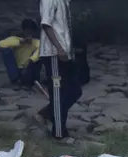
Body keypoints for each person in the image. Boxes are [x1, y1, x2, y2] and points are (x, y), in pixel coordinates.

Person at [39, 0, 83, 140]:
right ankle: (59, 134)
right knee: (58, 94)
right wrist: (59, 48)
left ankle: (48, 114)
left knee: (75, 90)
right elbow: (46, 25)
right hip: (54, 54)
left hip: (65, 54)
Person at [0, 19, 41, 88]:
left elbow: (41, 49)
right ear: (23, 31)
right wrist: (20, 42)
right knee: (6, 51)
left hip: (29, 68)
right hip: (18, 69)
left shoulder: (36, 42)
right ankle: (15, 80)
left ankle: (28, 82)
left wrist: (31, 60)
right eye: (27, 32)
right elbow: (1, 44)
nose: (29, 35)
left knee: (39, 57)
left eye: (31, 33)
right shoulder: (16, 39)